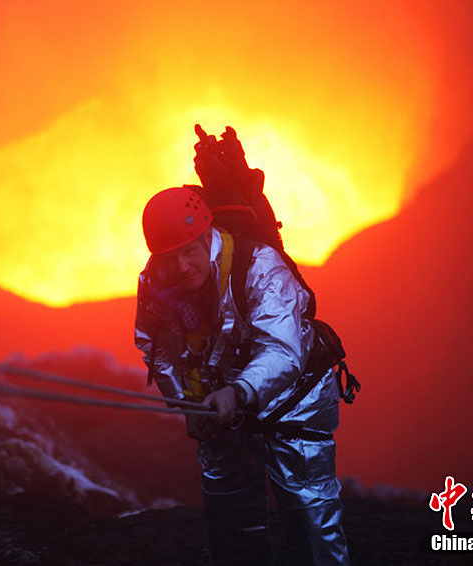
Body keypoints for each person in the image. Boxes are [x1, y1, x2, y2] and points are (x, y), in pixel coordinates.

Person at [134, 186, 350, 565]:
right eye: (170, 257)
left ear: (207, 237)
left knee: (308, 510)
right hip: (220, 402)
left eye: (189, 252)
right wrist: (186, 403)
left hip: (295, 400)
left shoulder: (260, 266)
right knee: (228, 512)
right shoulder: (155, 282)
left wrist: (237, 392)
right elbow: (156, 347)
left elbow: (283, 351)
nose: (181, 266)